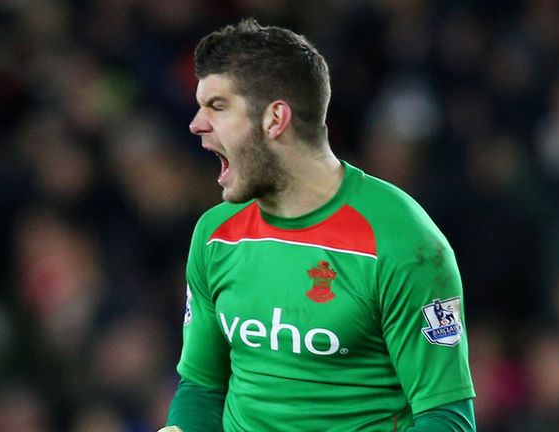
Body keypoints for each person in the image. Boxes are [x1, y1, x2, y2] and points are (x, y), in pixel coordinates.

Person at [159, 18, 476, 432]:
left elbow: (447, 417)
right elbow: (202, 387)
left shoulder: (404, 243)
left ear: (275, 119)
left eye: (217, 106)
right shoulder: (215, 235)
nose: (196, 124)